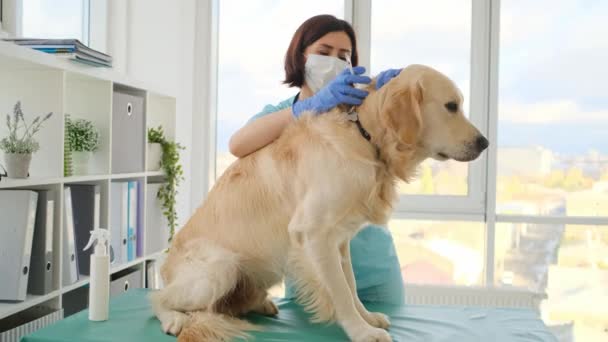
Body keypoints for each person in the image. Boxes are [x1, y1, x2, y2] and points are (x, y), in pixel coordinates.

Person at [229, 14, 405, 305]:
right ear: (300, 56)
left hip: (375, 268)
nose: (333, 61)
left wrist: (388, 101)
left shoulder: (362, 113)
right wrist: (308, 108)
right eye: (324, 53)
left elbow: (398, 158)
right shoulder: (282, 115)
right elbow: (238, 144)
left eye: (343, 56)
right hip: (313, 269)